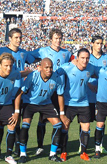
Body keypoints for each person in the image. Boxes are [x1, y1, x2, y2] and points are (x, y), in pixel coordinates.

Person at [0, 28, 35, 158]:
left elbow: (36, 57)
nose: (19, 40)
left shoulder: (24, 53)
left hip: (19, 92)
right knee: (0, 122)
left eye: (20, 37)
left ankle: (16, 147)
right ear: (9, 38)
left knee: (16, 120)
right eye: (16, 37)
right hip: (5, 92)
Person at [29, 28, 73, 156]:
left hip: (60, 91)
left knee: (61, 118)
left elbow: (75, 63)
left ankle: (58, 146)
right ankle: (40, 146)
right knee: (42, 120)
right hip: (47, 89)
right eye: (56, 38)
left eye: (60, 38)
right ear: (51, 39)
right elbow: (29, 57)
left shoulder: (67, 53)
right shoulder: (43, 51)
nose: (58, 41)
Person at [18, 58, 67, 163]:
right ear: (41, 67)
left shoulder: (57, 78)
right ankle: (23, 154)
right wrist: (17, 110)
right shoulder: (33, 76)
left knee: (58, 125)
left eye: (51, 67)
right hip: (30, 103)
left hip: (46, 103)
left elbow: (60, 95)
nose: (49, 70)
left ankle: (52, 154)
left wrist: (62, 113)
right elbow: (20, 92)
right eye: (46, 67)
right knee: (25, 125)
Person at [56, 48, 95, 161]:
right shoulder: (68, 67)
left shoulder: (91, 68)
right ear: (77, 58)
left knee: (86, 128)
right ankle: (63, 151)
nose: (85, 60)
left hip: (84, 102)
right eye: (82, 58)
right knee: (65, 126)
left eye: (87, 58)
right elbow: (55, 72)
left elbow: (102, 72)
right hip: (69, 103)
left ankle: (83, 152)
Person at [77, 35, 107, 154]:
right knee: (85, 122)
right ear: (92, 44)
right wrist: (90, 84)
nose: (99, 46)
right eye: (97, 43)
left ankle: (99, 145)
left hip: (101, 97)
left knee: (101, 122)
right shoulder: (86, 57)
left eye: (101, 43)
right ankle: (82, 145)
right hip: (87, 96)